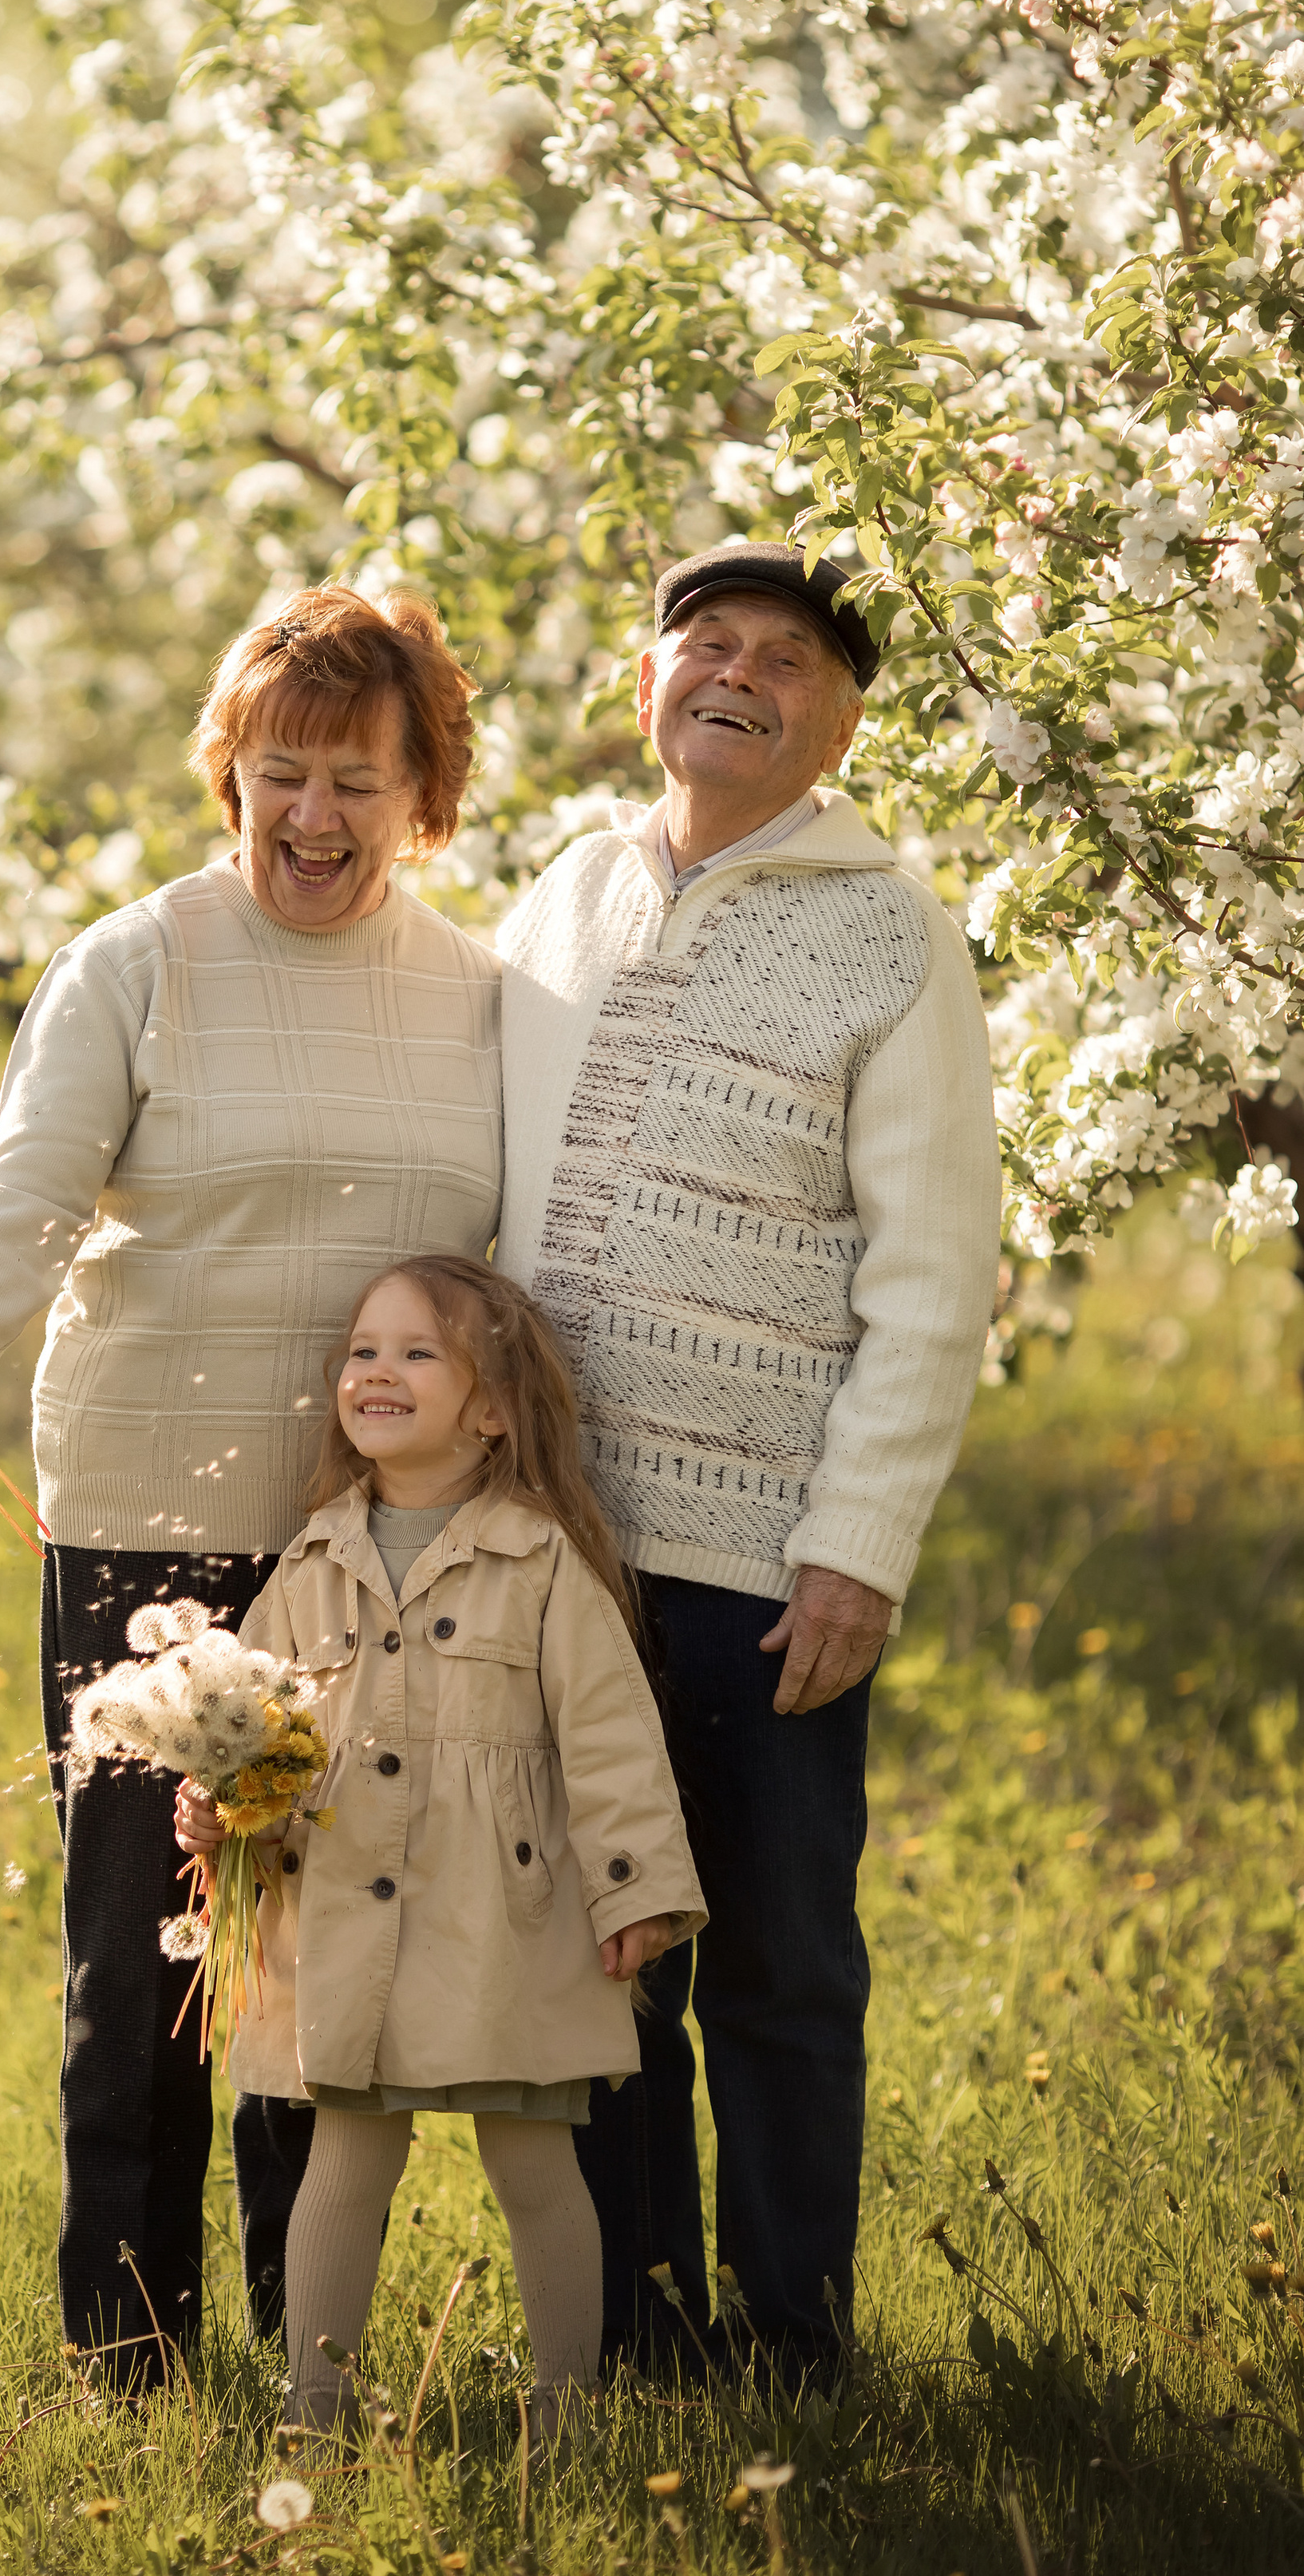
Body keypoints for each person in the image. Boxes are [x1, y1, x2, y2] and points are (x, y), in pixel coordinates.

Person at [0, 586, 503, 2391]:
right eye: (281, 770)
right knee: (141, 1954)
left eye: (358, 781)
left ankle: (309, 2338)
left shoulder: (473, 993)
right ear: (228, 771)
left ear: (421, 789)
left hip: (356, 1541)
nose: (313, 817)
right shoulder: (135, 962)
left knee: (303, 1963)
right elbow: (20, 1199)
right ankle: (125, 2352)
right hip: (139, 1521)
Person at [496, 539, 1002, 2388]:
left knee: (780, 1964)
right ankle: (638, 2338)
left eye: (782, 659)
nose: (733, 675)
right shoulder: (561, 892)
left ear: (839, 716)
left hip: (766, 1556)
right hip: (550, 1547)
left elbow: (935, 1271)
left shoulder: (892, 932)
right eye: (699, 645)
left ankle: (793, 2343)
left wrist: (855, 1545)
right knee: (605, 1959)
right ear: (643, 689)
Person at [178, 1254, 705, 2439]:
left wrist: (634, 1891)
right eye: (363, 1350)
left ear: (493, 1408)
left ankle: (567, 2413)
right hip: (354, 1922)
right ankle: (313, 2409)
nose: (377, 1372)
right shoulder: (312, 1564)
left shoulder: (540, 1559)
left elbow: (612, 1738)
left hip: (506, 1915)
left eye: (418, 1352)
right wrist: (220, 1811)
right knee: (346, 2164)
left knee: (535, 2164)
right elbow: (249, 1726)